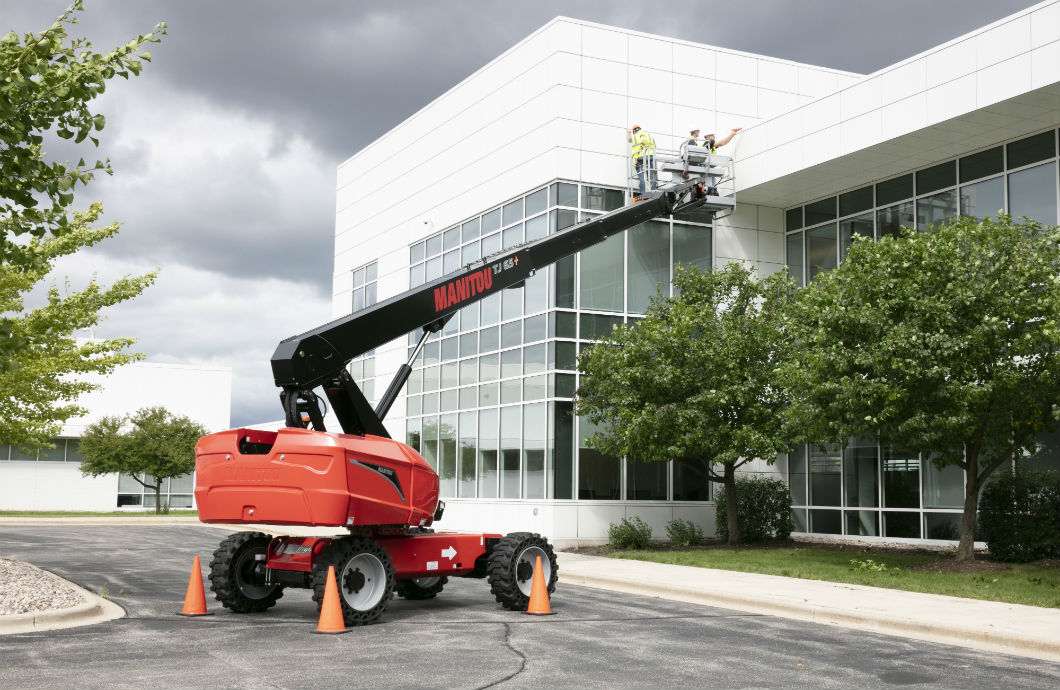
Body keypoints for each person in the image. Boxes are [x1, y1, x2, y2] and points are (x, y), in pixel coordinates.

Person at [627, 125, 656, 196]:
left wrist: (628, 132)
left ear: (634, 131)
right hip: (651, 156)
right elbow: (655, 145)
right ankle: (653, 191)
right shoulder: (649, 135)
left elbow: (628, 139)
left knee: (642, 176)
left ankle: (643, 193)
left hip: (640, 157)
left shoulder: (634, 136)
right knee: (652, 175)